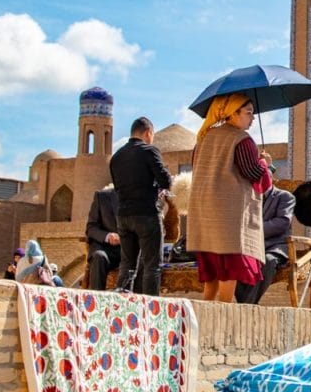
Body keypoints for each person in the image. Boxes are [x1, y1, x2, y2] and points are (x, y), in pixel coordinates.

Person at [187, 93, 271, 303]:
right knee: (229, 267)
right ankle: (224, 309)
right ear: (233, 114)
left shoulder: (204, 138)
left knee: (213, 268)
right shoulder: (241, 140)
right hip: (228, 216)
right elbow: (253, 173)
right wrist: (265, 164)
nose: (252, 118)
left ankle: (206, 309)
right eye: (248, 113)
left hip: (205, 214)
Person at [109, 116, 172, 296]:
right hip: (146, 214)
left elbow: (117, 187)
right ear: (148, 133)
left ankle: (121, 305)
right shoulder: (149, 151)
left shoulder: (116, 157)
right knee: (152, 265)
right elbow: (165, 181)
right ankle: (152, 310)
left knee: (127, 264)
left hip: (123, 216)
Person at [235, 183, 294, 304]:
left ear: (269, 178)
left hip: (275, 247)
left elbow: (283, 222)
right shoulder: (250, 197)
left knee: (268, 261)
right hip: (252, 246)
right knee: (234, 261)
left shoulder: (285, 197)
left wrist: (254, 230)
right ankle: (245, 305)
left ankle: (246, 306)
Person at [85, 187, 121, 290]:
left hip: (132, 249)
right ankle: (96, 302)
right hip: (108, 250)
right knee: (98, 256)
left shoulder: (140, 195)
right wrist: (107, 236)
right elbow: (91, 228)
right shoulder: (103, 196)